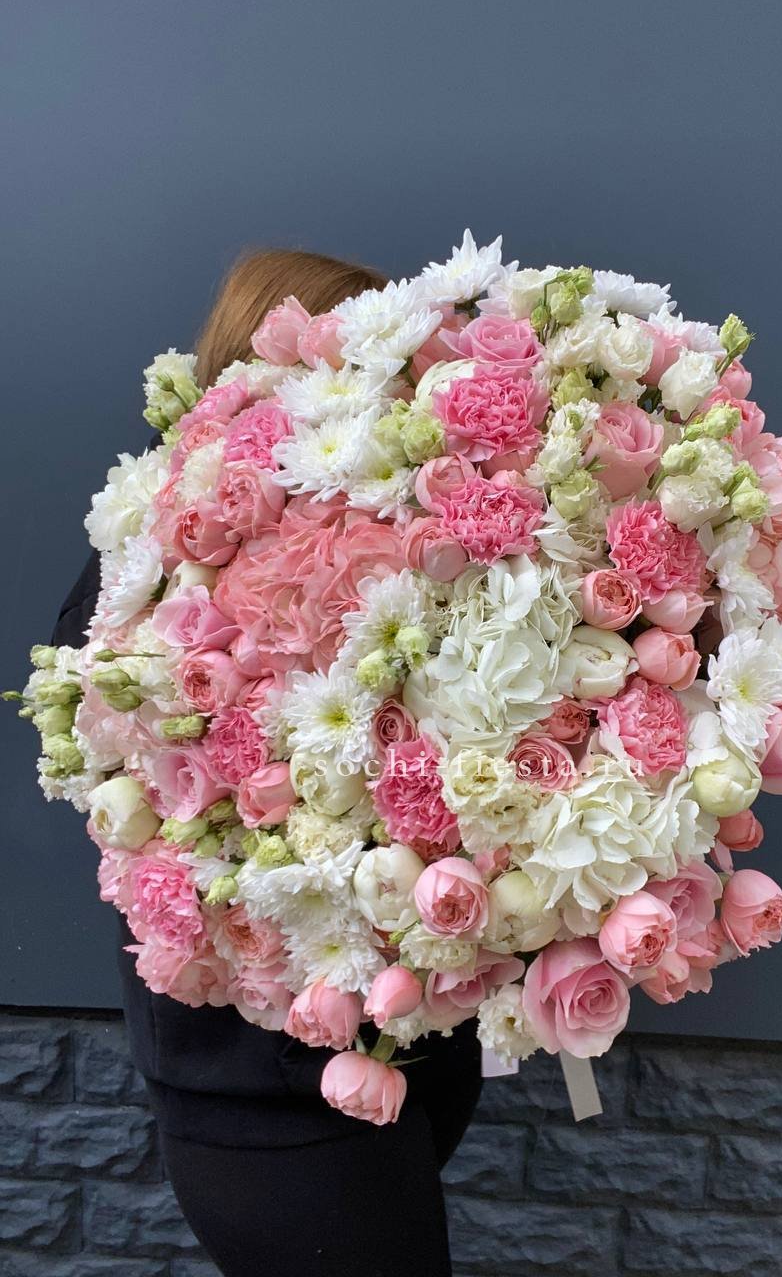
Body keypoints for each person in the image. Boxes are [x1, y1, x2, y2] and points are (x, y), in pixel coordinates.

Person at [52, 249, 482, 1277]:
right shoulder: (147, 578)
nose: (393, 381)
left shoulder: (364, 537)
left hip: (388, 1053)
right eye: (366, 355)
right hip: (264, 1097)